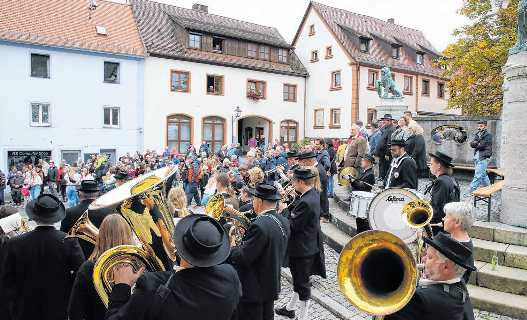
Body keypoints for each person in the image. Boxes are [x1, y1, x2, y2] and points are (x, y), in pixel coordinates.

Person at [105, 214, 241, 320]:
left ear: (179, 245)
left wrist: (121, 287)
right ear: (216, 252)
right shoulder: (230, 276)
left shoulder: (151, 285)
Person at [0, 194, 85, 320]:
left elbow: (7, 278)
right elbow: (81, 271)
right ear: (55, 218)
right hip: (58, 302)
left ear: (35, 216)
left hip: (25, 302)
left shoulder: (15, 242)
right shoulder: (68, 241)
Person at [229, 184, 290, 320]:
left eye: (254, 200)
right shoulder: (283, 220)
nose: (252, 203)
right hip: (271, 284)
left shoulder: (260, 225)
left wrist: (233, 245)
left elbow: (242, 257)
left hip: (254, 289)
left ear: (260, 202)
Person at [385, 232, 476, 320]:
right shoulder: (460, 283)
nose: (423, 259)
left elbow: (385, 313)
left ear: (446, 266)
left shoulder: (421, 299)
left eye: (430, 257)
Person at [68, 214, 136, 320]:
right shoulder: (138, 265)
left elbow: (75, 312)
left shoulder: (88, 268)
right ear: (129, 234)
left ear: (101, 236)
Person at [276, 169, 323, 320]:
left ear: (301, 182)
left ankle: (303, 317)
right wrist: (293, 202)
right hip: (306, 246)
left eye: (294, 181)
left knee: (302, 284)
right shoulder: (311, 195)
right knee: (299, 280)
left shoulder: (306, 201)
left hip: (301, 249)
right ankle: (290, 308)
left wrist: (284, 210)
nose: (292, 183)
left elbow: (293, 225)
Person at [60, 180, 115, 260]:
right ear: (97, 194)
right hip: (103, 256)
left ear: (79, 195)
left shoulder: (68, 213)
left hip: (77, 257)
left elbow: (64, 237)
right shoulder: (109, 211)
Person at [427, 151, 461, 235]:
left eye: (431, 164)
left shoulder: (441, 182)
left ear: (439, 166)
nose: (429, 166)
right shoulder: (452, 180)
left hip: (440, 229)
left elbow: (437, 209)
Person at [442, 202, 477, 284]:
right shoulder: (449, 238)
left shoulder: (462, 250)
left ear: (457, 222)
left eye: (446, 217)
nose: (443, 219)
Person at [343, 154, 376, 233]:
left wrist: (352, 180)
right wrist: (353, 179)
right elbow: (358, 182)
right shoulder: (363, 171)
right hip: (360, 200)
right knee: (359, 222)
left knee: (363, 223)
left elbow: (362, 187)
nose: (361, 162)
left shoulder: (370, 174)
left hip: (364, 201)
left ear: (369, 163)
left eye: (363, 161)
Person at [466, 120, 493, 196]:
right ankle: (489, 189)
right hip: (477, 157)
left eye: (481, 126)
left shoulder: (488, 135)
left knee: (478, 174)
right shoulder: (477, 134)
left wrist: (477, 143)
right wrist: (478, 143)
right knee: (483, 174)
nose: (479, 127)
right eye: (478, 126)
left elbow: (482, 146)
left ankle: (471, 190)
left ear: (485, 126)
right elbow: (472, 144)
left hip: (483, 157)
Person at [300, 151, 329, 223]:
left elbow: (313, 186)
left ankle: (324, 215)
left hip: (320, 198)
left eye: (304, 162)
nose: (304, 164)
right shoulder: (317, 167)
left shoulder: (318, 169)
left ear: (310, 160)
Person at [375, 114, 396, 181]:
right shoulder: (385, 128)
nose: (383, 122)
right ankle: (382, 176)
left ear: (389, 121)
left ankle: (384, 178)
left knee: (385, 165)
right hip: (381, 151)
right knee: (382, 165)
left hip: (385, 152)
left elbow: (389, 142)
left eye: (385, 121)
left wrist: (387, 153)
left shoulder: (391, 129)